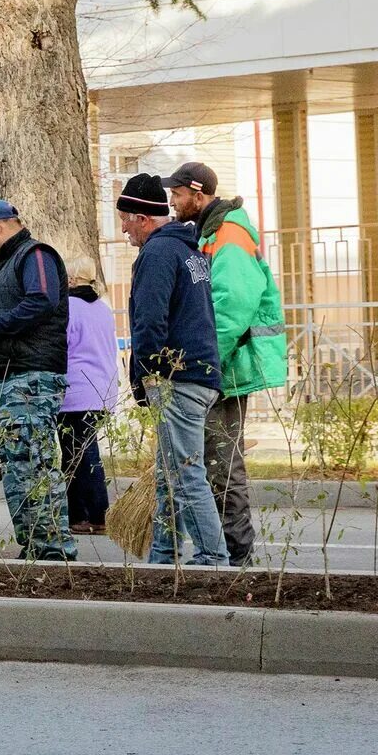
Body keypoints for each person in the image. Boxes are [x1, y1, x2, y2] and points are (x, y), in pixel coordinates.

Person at [165, 160, 290, 567]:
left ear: (198, 194)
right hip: (222, 366)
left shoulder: (229, 234)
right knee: (215, 463)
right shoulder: (213, 231)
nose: (172, 201)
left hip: (224, 368)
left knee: (221, 466)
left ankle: (237, 557)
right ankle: (230, 554)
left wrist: (202, 361)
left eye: (177, 194)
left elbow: (231, 306)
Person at [117, 172, 228, 567]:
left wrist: (144, 376)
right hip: (200, 372)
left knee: (183, 473)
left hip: (177, 377)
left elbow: (150, 322)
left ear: (143, 218)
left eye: (126, 221)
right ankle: (163, 556)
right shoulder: (189, 250)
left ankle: (213, 559)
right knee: (168, 475)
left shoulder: (158, 254)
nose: (124, 232)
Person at [0, 199, 74, 561]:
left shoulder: (34, 255)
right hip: (12, 379)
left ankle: (53, 551)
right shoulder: (6, 264)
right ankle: (37, 547)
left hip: (29, 381)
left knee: (33, 463)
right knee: (18, 465)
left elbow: (41, 300)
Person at [58, 269, 118, 535]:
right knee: (75, 454)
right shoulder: (103, 308)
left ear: (71, 280)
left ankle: (99, 514)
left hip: (76, 390)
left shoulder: (68, 307)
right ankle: (76, 516)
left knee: (81, 454)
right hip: (102, 388)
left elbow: (61, 346)